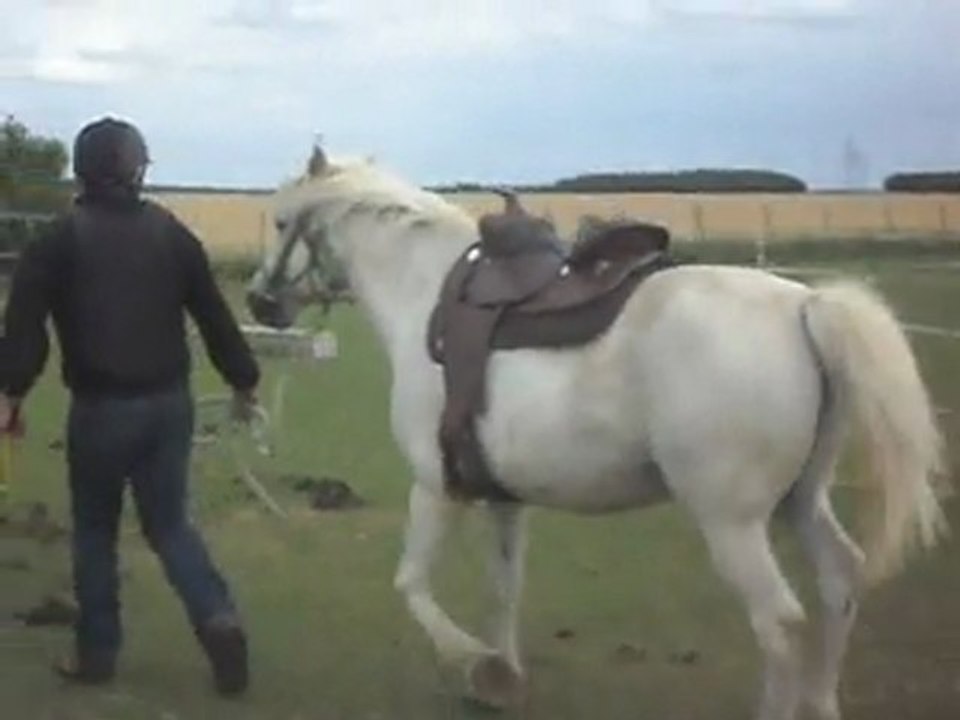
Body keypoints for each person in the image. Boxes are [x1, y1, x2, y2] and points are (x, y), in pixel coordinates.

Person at [0, 117, 260, 696]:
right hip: (170, 406)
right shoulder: (173, 234)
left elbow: (23, 328)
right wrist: (243, 380)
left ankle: (97, 654)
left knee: (94, 534)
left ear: (83, 170)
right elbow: (215, 317)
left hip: (99, 412)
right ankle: (217, 618)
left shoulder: (58, 240)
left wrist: (11, 391)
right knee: (170, 527)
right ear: (136, 168)